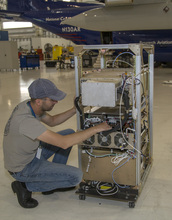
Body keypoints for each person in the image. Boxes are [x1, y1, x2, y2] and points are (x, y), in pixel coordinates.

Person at [3, 78, 111, 209]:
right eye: (52, 99)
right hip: (23, 168)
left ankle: (51, 178)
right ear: (39, 101)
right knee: (76, 177)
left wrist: (75, 109)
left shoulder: (29, 105)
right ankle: (24, 186)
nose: (56, 101)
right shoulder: (25, 121)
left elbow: (53, 120)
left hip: (32, 153)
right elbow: (64, 143)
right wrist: (96, 128)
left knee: (69, 132)